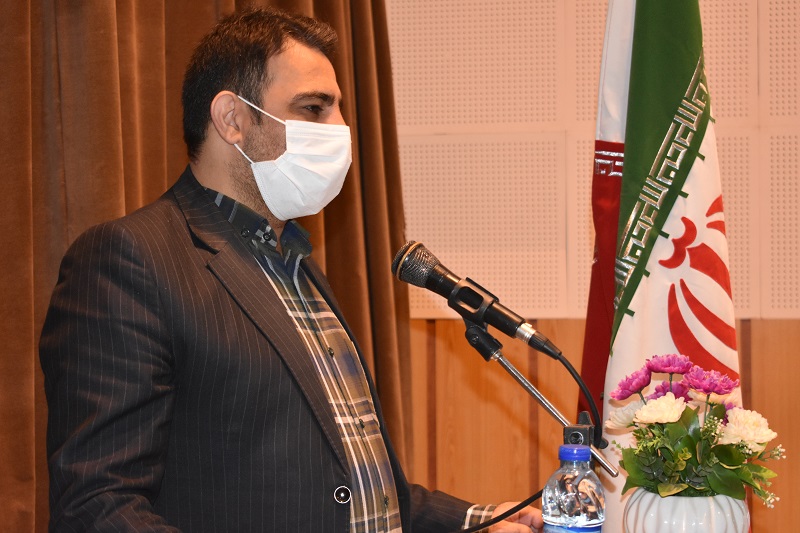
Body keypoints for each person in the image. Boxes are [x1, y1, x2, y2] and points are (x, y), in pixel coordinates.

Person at [39, 7, 543, 532]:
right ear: (232, 119)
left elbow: (357, 489)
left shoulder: (298, 264)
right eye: (313, 108)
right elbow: (97, 505)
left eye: (339, 110)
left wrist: (477, 520)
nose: (340, 129)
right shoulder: (130, 259)